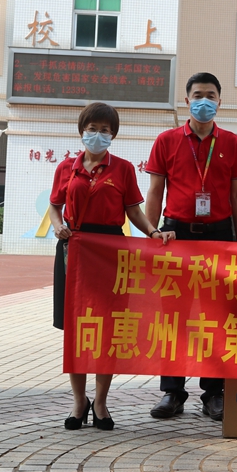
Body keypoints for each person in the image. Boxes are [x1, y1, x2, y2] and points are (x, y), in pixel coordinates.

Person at [47, 102, 172, 431]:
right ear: (82, 130)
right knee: (76, 329)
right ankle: (79, 402)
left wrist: (154, 232)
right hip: (74, 250)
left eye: (105, 130)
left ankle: (100, 402)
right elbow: (55, 205)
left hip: (111, 253)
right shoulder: (66, 168)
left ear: (113, 135)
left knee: (107, 329)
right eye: (93, 128)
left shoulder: (124, 169)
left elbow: (134, 212)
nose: (98, 135)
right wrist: (58, 225)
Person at [144, 72, 237, 422]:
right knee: (173, 316)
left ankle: (214, 393)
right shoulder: (167, 141)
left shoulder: (232, 142)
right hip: (176, 236)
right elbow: (155, 191)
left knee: (217, 316)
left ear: (220, 101)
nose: (205, 101)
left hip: (219, 237)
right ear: (187, 100)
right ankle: (172, 392)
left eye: (211, 95)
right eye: (198, 95)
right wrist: (152, 232)